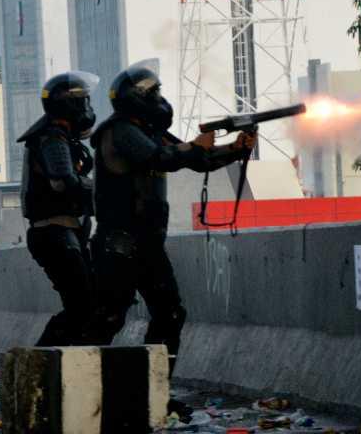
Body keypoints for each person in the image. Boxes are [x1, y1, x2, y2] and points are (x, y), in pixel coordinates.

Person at [88, 62, 256, 369]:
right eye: (154, 93)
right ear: (138, 97)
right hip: (120, 244)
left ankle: (154, 392)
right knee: (107, 319)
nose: (160, 99)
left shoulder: (149, 131)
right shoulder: (120, 131)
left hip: (146, 244)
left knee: (169, 315)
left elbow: (194, 159)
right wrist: (194, 147)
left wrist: (235, 148)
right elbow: (162, 158)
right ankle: (76, 388)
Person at [17, 71, 99, 347]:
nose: (88, 108)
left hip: (65, 232)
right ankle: (38, 365)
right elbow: (64, 181)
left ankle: (50, 366)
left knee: (84, 306)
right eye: (84, 101)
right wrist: (104, 195)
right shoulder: (52, 138)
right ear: (72, 105)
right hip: (55, 232)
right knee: (82, 306)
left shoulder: (60, 137)